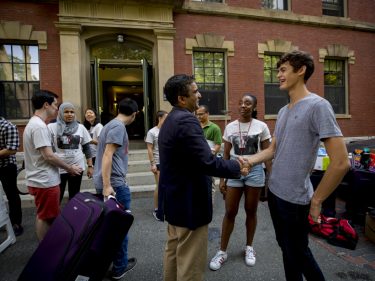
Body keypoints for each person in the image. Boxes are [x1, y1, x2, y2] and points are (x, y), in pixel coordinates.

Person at [246, 50, 350, 281]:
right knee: (286, 249)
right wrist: (249, 160)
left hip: (295, 200)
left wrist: (317, 200)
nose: (278, 76)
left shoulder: (318, 106)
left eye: (283, 70)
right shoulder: (284, 111)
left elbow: (341, 162)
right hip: (275, 193)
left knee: (299, 252)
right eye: (278, 71)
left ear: (301, 70)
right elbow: (273, 150)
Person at [157, 74, 248, 281]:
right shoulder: (187, 120)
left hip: (174, 202)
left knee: (173, 254)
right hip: (189, 205)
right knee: (191, 265)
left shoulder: (171, 118)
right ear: (182, 98)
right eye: (195, 91)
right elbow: (207, 162)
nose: (199, 95)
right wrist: (236, 166)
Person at [209, 93, 272, 271]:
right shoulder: (230, 127)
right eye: (241, 102)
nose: (243, 105)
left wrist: (270, 178)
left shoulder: (261, 126)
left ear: (254, 107)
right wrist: (222, 179)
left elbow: (267, 154)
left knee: (251, 211)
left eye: (248, 103)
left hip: (255, 172)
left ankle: (249, 247)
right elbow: (226, 155)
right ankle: (222, 251)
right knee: (230, 211)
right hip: (233, 172)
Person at [23, 90, 82, 241]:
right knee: (47, 217)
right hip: (44, 180)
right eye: (55, 104)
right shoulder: (39, 127)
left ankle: (46, 249)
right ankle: (47, 251)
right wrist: (69, 168)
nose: (57, 108)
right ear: (46, 105)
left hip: (41, 178)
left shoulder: (37, 124)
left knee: (44, 215)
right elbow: (48, 155)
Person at [93, 97, 138, 280]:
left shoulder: (109, 124)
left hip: (111, 183)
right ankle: (119, 267)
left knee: (110, 228)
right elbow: (107, 154)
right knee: (119, 228)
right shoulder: (118, 127)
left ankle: (113, 263)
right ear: (135, 113)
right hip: (115, 185)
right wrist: (107, 185)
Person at [48, 102, 93, 202]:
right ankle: (56, 217)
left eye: (72, 112)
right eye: (66, 112)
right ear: (60, 113)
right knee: (57, 197)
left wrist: (90, 166)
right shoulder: (51, 127)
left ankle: (72, 216)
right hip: (59, 167)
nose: (70, 114)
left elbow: (87, 148)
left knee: (74, 196)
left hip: (77, 167)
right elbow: (49, 147)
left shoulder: (81, 128)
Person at [0, 116, 23, 236]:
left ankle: (16, 223)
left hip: (6, 166)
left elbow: (12, 149)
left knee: (12, 195)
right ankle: (3, 221)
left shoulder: (8, 126)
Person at [145, 110, 168, 221]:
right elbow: (149, 148)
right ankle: (157, 209)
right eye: (166, 118)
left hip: (168, 162)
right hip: (158, 162)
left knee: (167, 185)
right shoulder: (152, 132)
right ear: (159, 118)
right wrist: (152, 163)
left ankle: (165, 207)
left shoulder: (168, 130)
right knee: (160, 185)